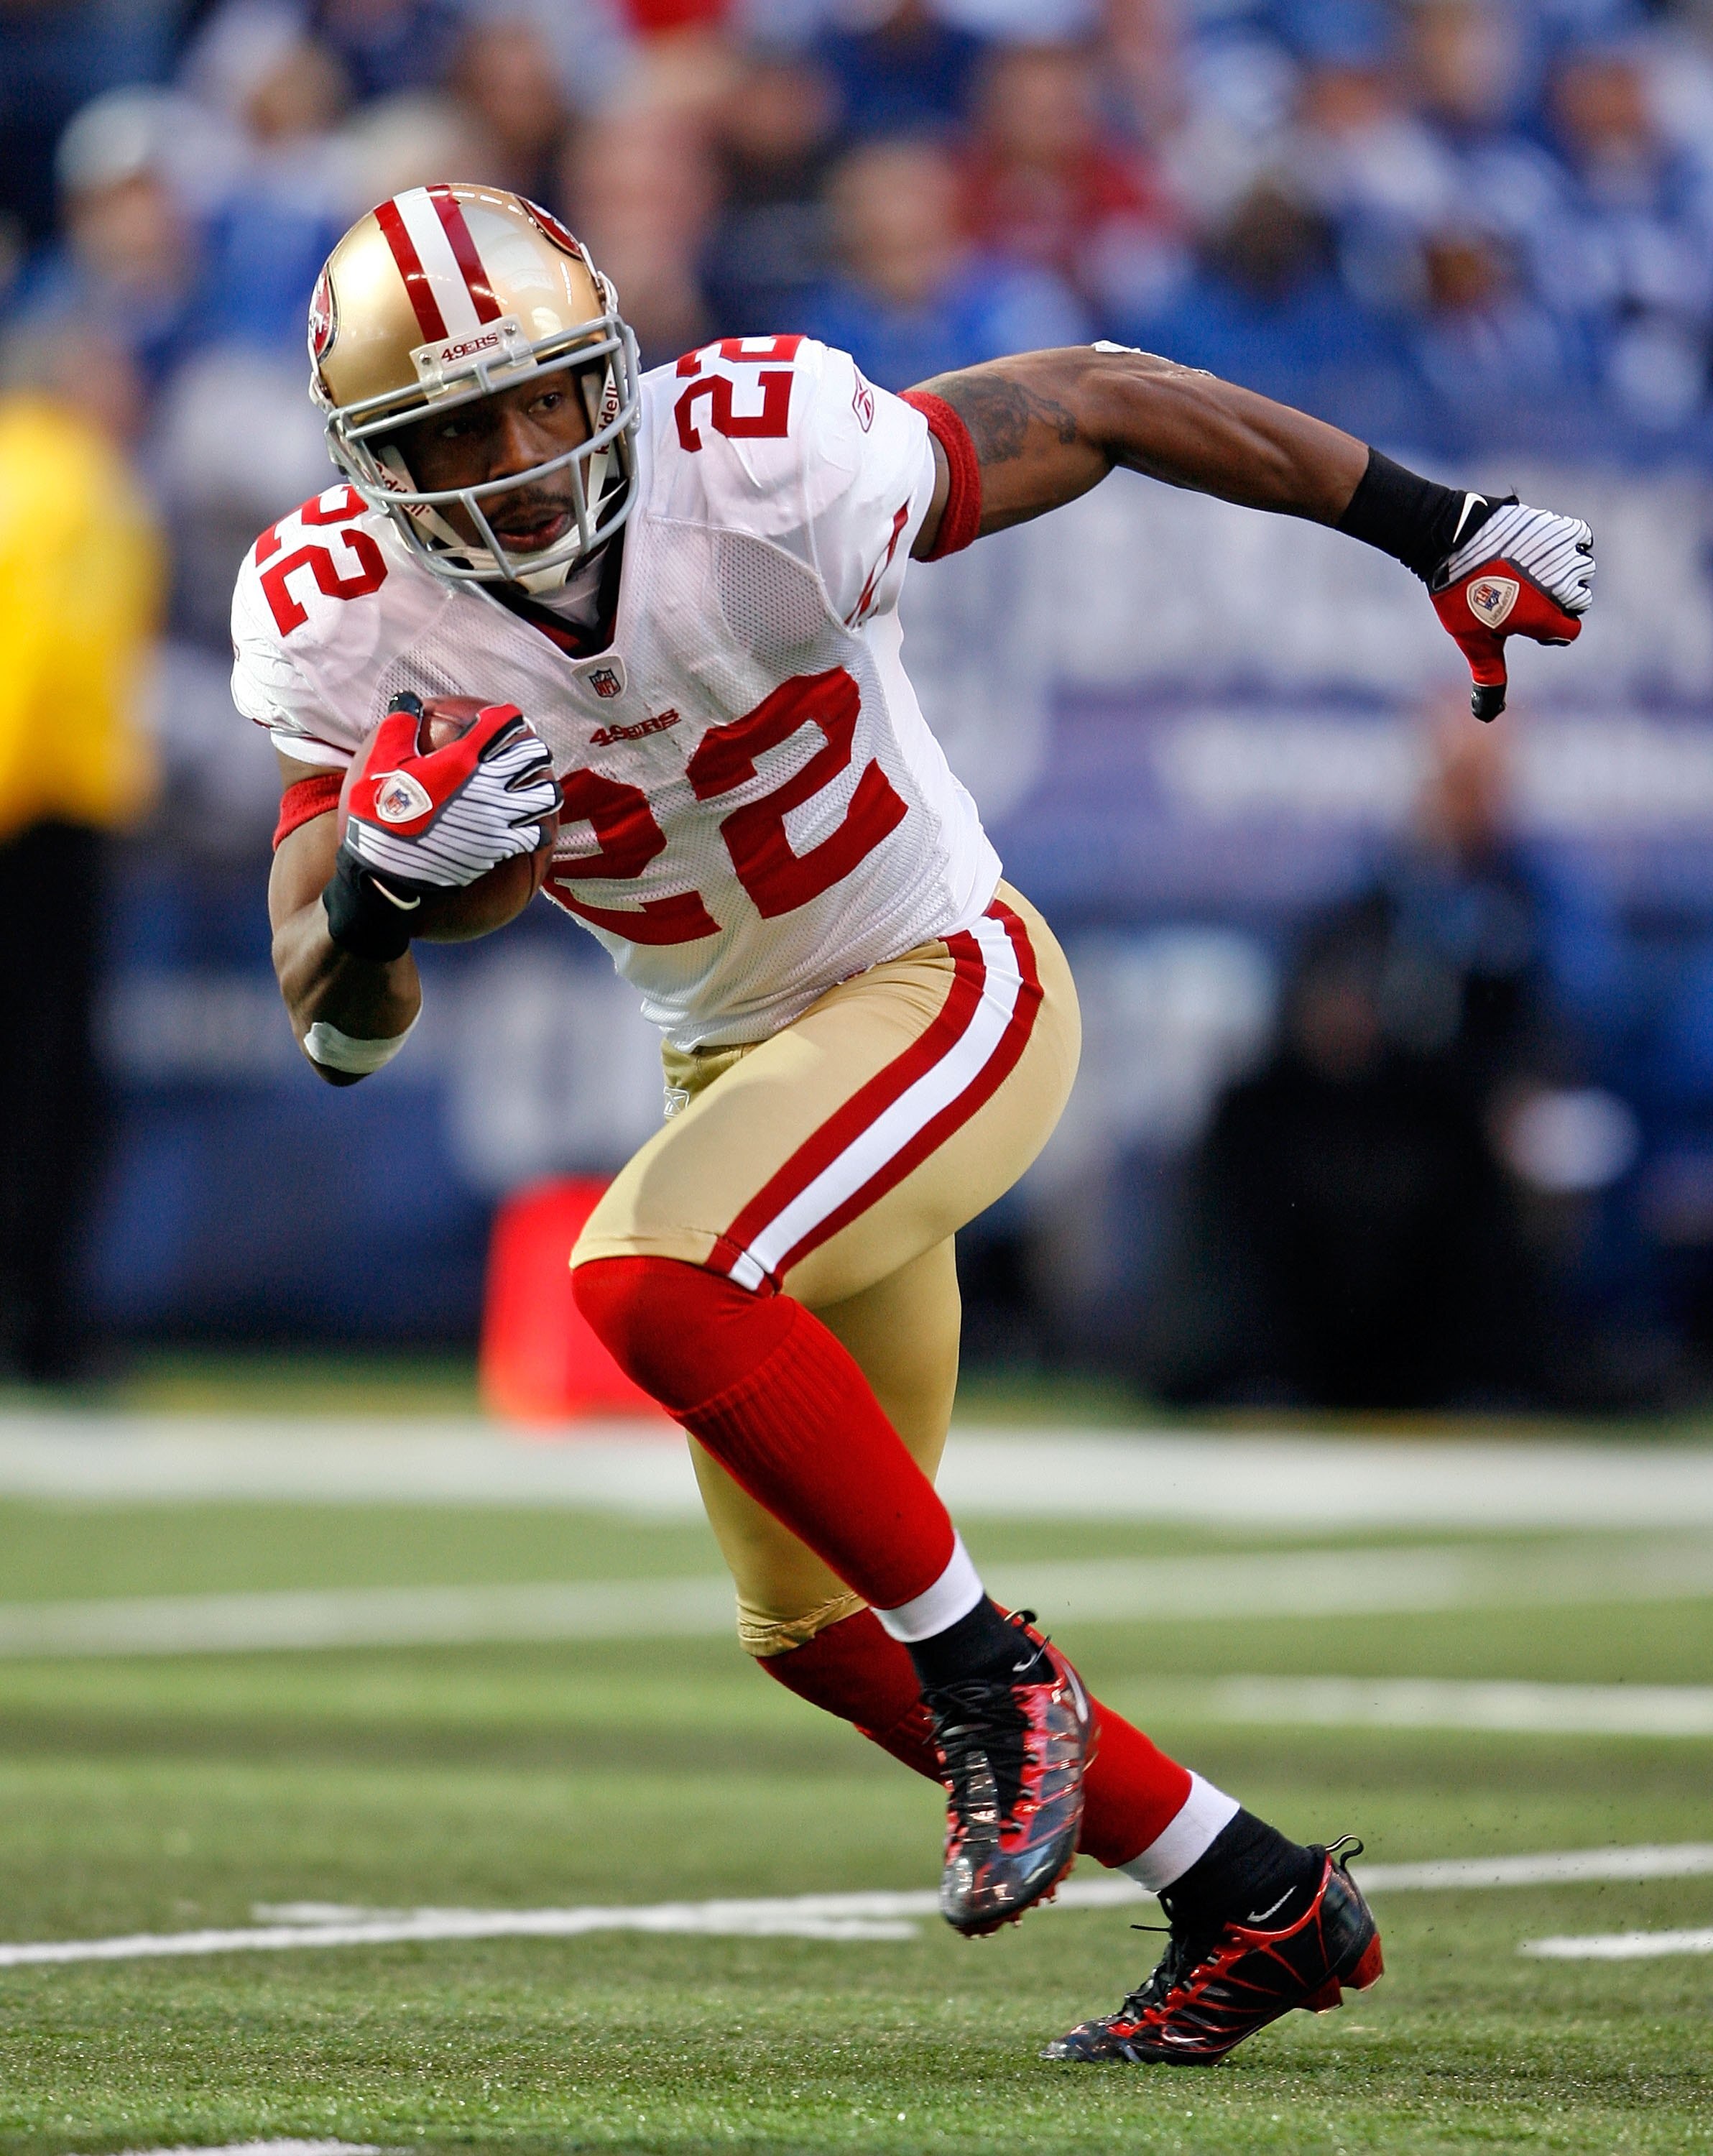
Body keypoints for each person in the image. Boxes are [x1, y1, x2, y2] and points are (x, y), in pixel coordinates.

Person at [236, 183, 1593, 2064]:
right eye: (459, 427)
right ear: (376, 460)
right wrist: (379, 897)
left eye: (547, 393)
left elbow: (1098, 396)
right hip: (746, 1081)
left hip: (942, 984)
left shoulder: (763, 461)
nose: (524, 456)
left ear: (611, 366)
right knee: (812, 1622)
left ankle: (994, 1682)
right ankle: (1256, 1893)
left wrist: (1435, 527)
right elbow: (337, 1030)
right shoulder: (342, 618)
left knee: (642, 1279)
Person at [0, 321, 161, 1382]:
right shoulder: (81, 489)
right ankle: (44, 1323)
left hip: (36, 805)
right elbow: (45, 664)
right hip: (44, 815)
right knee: (51, 1086)